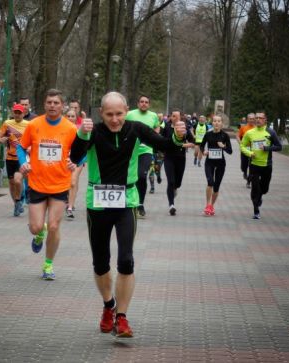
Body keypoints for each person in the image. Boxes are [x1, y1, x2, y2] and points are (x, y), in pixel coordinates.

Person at [70, 91, 187, 338]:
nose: (115, 119)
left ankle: (122, 317)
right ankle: (108, 305)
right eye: (109, 114)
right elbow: (73, 156)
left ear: (126, 111)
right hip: (98, 205)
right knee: (101, 263)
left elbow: (166, 146)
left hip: (127, 202)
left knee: (126, 260)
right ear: (101, 113)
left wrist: (177, 137)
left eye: (119, 114)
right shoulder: (94, 131)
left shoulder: (136, 129)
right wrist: (81, 134)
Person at [17, 89, 78, 280]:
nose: (52, 106)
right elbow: (21, 146)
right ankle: (38, 234)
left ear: (62, 106)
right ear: (44, 104)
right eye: (49, 102)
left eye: (56, 103)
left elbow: (81, 151)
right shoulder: (34, 125)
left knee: (54, 226)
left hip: (60, 184)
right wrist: (23, 162)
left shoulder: (70, 128)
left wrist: (74, 162)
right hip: (37, 182)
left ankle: (48, 265)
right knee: (36, 227)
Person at [240, 111, 282, 219]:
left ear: (265, 120)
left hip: (267, 165)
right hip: (254, 165)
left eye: (260, 118)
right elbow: (242, 146)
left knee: (264, 189)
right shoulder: (250, 133)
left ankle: (260, 196)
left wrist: (267, 148)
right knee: (255, 188)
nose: (257, 120)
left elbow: (279, 147)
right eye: (256, 118)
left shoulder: (271, 132)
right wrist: (250, 153)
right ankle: (256, 210)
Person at [124, 95, 161, 218]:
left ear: (149, 104)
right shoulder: (130, 114)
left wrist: (154, 136)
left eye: (146, 102)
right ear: (138, 103)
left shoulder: (153, 116)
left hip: (146, 151)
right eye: (142, 102)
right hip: (131, 151)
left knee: (141, 176)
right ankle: (128, 202)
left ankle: (140, 204)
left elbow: (157, 126)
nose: (144, 104)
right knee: (129, 176)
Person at [0, 104, 30, 216]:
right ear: (12, 113)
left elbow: (33, 139)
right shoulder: (7, 123)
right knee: (11, 183)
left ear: (23, 113)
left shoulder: (28, 125)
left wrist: (30, 148)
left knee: (17, 180)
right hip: (10, 158)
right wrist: (1, 140)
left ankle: (19, 200)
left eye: (19, 112)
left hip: (22, 158)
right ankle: (16, 203)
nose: (17, 114)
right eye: (15, 112)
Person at [160, 109, 195, 216]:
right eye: (173, 116)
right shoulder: (166, 127)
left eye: (176, 116)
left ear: (180, 118)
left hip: (180, 158)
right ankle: (171, 205)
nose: (174, 118)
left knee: (177, 183)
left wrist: (183, 145)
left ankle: (175, 188)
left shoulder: (184, 128)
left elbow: (193, 142)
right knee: (170, 181)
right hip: (168, 158)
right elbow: (160, 140)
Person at [199, 115, 232, 215]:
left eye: (219, 121)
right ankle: (208, 204)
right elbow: (201, 145)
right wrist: (204, 151)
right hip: (209, 162)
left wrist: (223, 146)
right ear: (212, 123)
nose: (217, 123)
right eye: (215, 121)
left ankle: (212, 206)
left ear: (221, 123)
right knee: (210, 182)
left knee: (216, 186)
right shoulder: (208, 134)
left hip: (221, 164)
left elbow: (230, 151)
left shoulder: (225, 136)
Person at [66, 108, 85, 219]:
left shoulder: (79, 130)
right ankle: (67, 200)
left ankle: (70, 207)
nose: (70, 118)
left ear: (76, 118)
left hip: (78, 159)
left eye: (73, 116)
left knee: (73, 182)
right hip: (65, 158)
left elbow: (85, 145)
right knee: (67, 182)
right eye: (68, 116)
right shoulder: (61, 129)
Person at [237, 113, 256, 188]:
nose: (251, 120)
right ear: (247, 119)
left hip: (253, 150)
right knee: (243, 166)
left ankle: (249, 181)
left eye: (253, 119)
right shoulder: (243, 128)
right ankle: (244, 171)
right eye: (250, 119)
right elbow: (238, 136)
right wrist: (240, 143)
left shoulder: (256, 128)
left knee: (251, 166)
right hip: (245, 149)